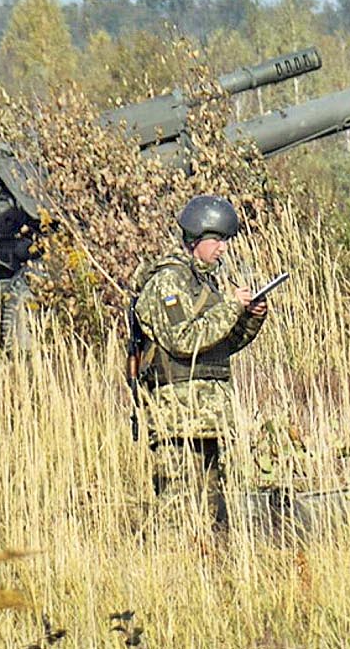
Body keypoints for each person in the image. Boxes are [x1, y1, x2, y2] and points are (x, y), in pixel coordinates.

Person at [129, 194, 270, 525]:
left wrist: (250, 317)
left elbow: (217, 346)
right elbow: (183, 340)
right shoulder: (167, 282)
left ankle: (209, 571)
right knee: (177, 513)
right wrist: (231, 307)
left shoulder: (205, 282)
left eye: (226, 241)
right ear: (195, 238)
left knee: (212, 514)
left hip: (208, 418)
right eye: (217, 240)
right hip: (177, 418)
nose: (223, 249)